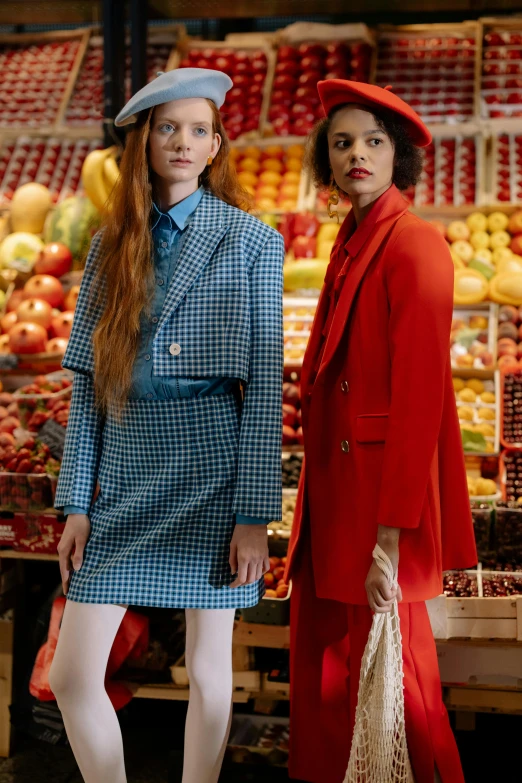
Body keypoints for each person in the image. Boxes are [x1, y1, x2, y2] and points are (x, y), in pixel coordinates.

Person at [48, 68, 284, 783]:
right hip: (124, 466)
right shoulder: (107, 244)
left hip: (212, 463)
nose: (183, 142)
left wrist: (254, 515)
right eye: (168, 127)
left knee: (211, 675)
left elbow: (266, 386)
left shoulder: (252, 240)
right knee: (70, 674)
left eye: (199, 129)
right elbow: (88, 388)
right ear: (144, 142)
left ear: (216, 146)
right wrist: (77, 502)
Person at [285, 80, 477, 783]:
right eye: (342, 143)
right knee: (338, 678)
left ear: (398, 155)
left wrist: (391, 537)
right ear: (325, 159)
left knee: (399, 686)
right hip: (338, 496)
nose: (357, 154)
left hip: (375, 507)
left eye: (373, 141)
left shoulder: (416, 244)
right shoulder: (351, 241)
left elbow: (419, 405)